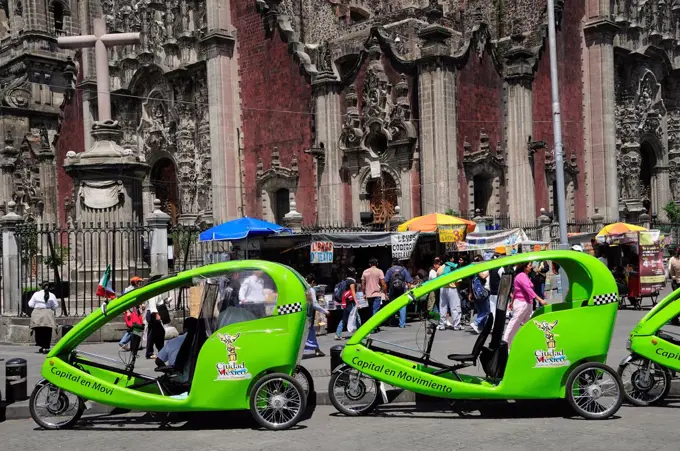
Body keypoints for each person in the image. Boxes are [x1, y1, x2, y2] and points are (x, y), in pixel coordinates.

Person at [503, 262, 547, 348]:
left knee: (527, 324)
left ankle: (529, 342)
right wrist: (540, 300)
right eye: (530, 266)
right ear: (524, 267)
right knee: (514, 323)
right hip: (522, 303)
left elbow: (516, 290)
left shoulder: (524, 275)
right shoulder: (521, 276)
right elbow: (528, 290)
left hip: (526, 303)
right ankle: (505, 344)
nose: (531, 267)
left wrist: (512, 302)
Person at [304, 274, 329, 357]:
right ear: (313, 282)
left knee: (307, 332)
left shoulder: (301, 287)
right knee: (309, 331)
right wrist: (324, 311)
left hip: (299, 313)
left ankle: (316, 349)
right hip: (307, 314)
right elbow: (314, 304)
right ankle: (316, 349)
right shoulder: (310, 289)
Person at [29, 281, 58, 353]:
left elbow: (30, 304)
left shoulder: (36, 294)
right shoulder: (52, 295)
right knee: (47, 331)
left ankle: (41, 344)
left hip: (37, 314)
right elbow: (55, 306)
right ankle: (46, 346)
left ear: (41, 286)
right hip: (47, 314)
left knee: (38, 329)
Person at [385, 258, 413, 328]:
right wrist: (409, 290)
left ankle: (392, 322)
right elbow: (409, 281)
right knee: (402, 306)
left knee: (392, 306)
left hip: (392, 291)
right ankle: (402, 324)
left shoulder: (389, 270)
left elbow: (385, 281)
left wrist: (385, 292)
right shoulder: (403, 270)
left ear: (392, 263)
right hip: (401, 290)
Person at [437, 254, 462, 330]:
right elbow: (458, 281)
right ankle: (456, 325)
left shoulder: (440, 268)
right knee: (454, 307)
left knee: (442, 307)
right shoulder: (454, 267)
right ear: (451, 259)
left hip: (442, 289)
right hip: (452, 288)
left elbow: (437, 279)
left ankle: (442, 324)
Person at [335, 268, 361, 340]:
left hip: (345, 303)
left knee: (344, 319)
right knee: (356, 317)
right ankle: (361, 333)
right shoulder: (351, 281)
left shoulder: (345, 280)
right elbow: (353, 292)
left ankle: (338, 334)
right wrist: (357, 302)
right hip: (350, 303)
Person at [361, 258, 386, 327]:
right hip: (377, 293)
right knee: (375, 310)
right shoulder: (379, 271)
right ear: (377, 264)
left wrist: (364, 293)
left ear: (369, 264)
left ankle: (372, 325)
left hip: (368, 294)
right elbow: (383, 284)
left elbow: (363, 284)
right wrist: (384, 292)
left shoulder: (365, 272)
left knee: (371, 310)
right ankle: (373, 326)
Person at [145, 291, 166, 359]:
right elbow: (152, 305)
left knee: (159, 333)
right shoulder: (153, 292)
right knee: (153, 334)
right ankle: (149, 353)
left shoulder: (158, 291)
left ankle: (160, 350)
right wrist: (156, 314)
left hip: (154, 313)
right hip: (153, 314)